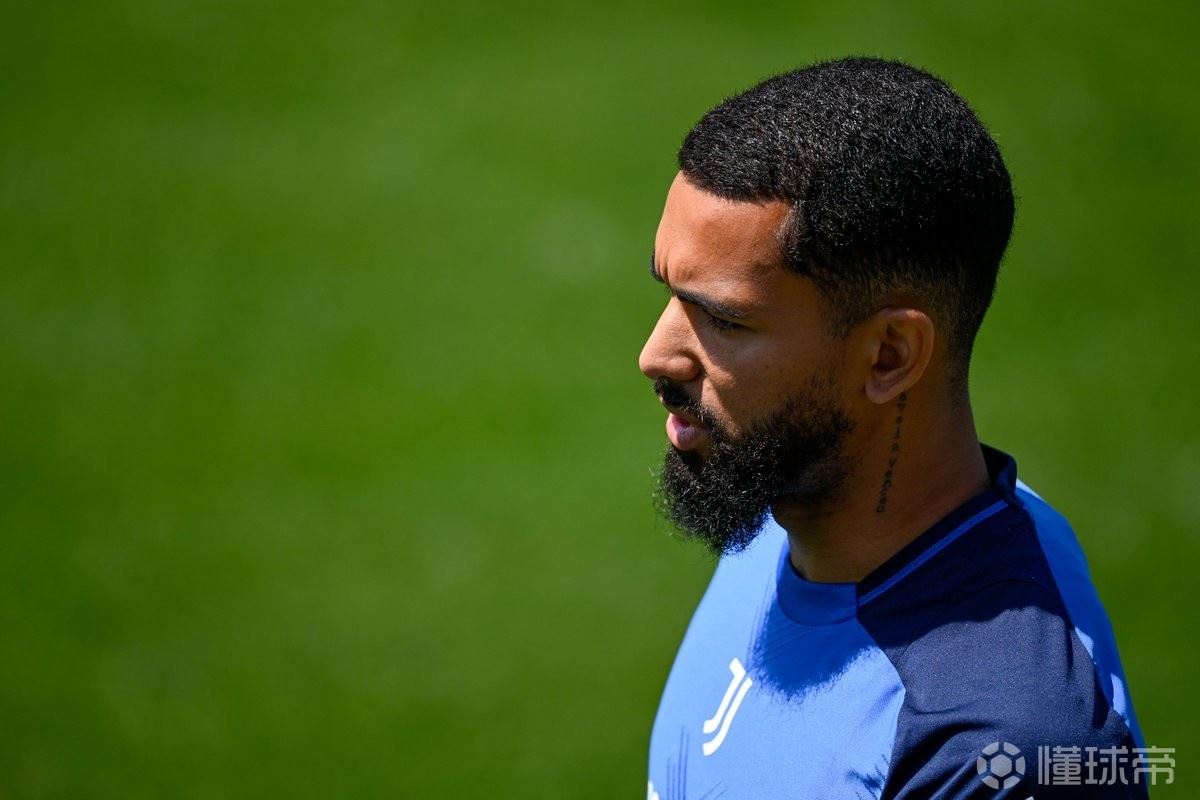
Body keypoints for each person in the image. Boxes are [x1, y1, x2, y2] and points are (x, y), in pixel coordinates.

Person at [639, 58, 1150, 799]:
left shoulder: (995, 754)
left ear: (889, 356)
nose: (655, 355)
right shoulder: (788, 497)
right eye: (670, 293)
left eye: (723, 320)